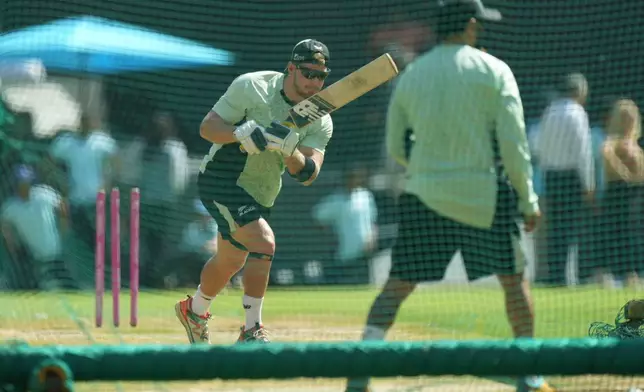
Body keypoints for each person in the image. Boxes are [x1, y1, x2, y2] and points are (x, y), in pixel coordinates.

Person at [345, 1, 554, 391]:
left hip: (425, 195)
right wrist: (529, 201)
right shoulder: (495, 70)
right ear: (472, 25)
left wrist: (425, 168)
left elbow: (395, 145)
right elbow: (515, 146)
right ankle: (530, 373)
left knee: (396, 287)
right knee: (514, 283)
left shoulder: (412, 74)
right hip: (484, 197)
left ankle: (361, 371)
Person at [175, 39, 333, 344]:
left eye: (321, 76)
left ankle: (193, 312)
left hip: (261, 193)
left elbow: (308, 174)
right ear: (291, 68)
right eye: (308, 72)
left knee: (230, 261)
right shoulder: (253, 86)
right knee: (264, 242)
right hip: (222, 180)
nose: (314, 81)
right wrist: (238, 134)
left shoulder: (320, 118)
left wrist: (290, 151)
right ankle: (252, 330)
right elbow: (208, 128)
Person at [534, 73, 594, 286]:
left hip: (551, 176)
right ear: (579, 92)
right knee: (570, 227)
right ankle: (568, 276)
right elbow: (583, 152)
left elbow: (539, 147)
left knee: (554, 227)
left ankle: (554, 275)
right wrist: (588, 183)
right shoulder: (577, 113)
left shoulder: (550, 110)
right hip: (570, 176)